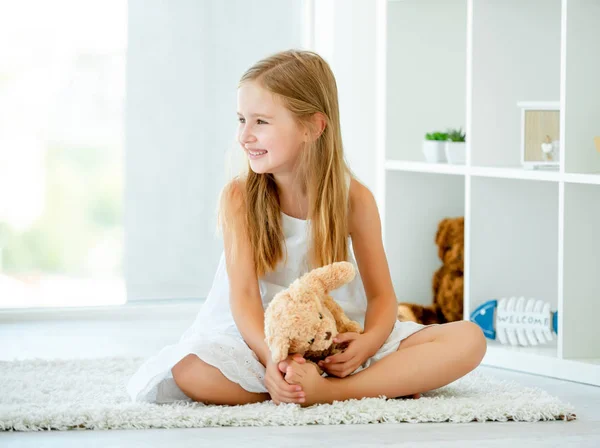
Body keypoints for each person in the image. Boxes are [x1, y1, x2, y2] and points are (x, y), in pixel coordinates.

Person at [126, 49, 486, 407]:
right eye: (241, 120)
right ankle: (342, 385)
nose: (244, 136)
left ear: (312, 127)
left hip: (334, 334)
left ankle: (328, 390)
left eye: (261, 122)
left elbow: (382, 297)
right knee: (190, 371)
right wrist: (272, 358)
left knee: (470, 339)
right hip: (257, 338)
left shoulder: (355, 200)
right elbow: (245, 298)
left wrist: (368, 343)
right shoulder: (238, 197)